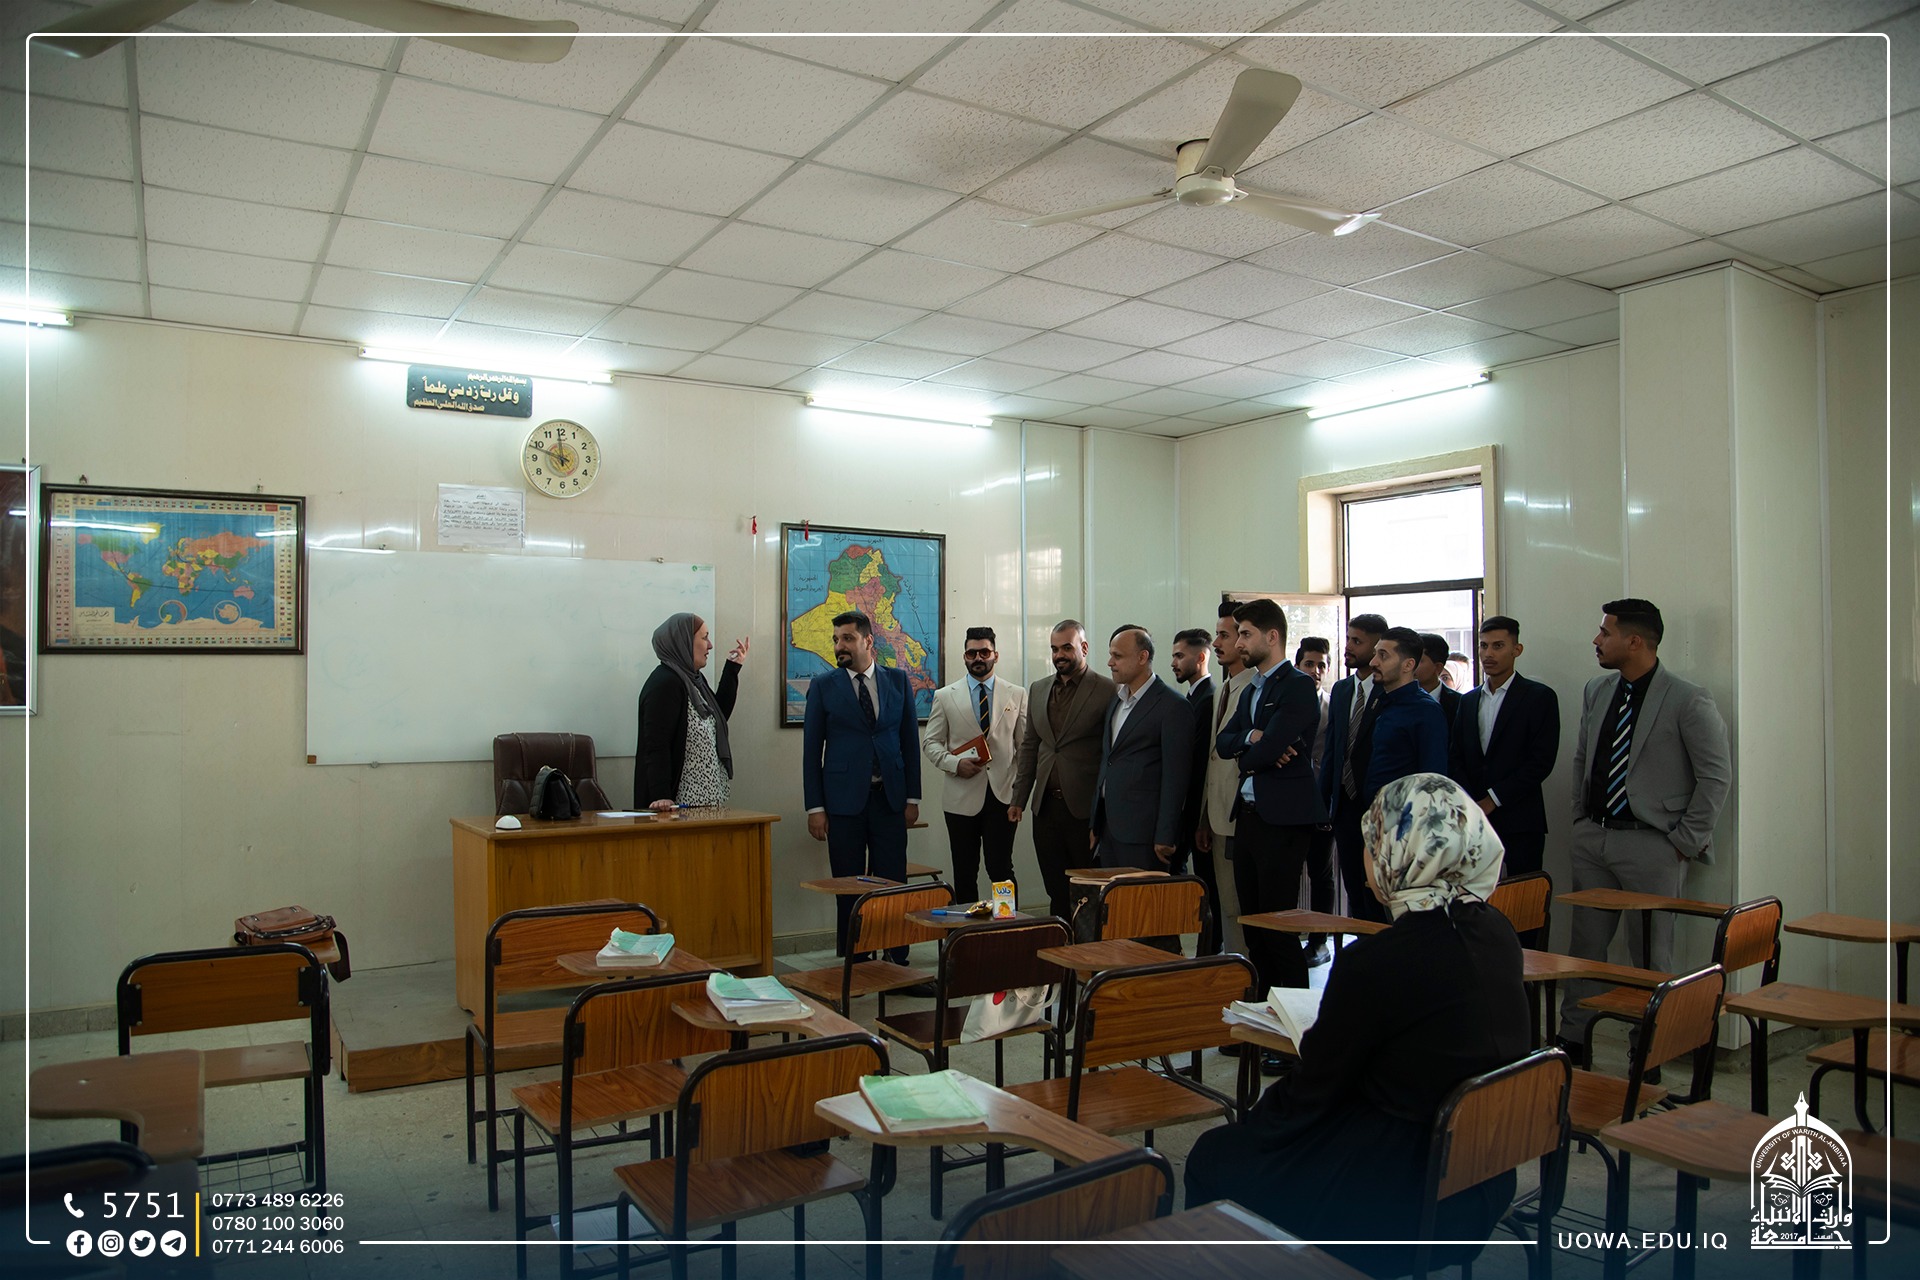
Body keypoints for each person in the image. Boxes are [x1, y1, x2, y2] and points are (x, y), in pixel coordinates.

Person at [1184, 773, 1530, 1276]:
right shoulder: (1498, 933)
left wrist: (1249, 1131)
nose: (1365, 859)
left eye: (1372, 841)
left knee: (1213, 1156)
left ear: (1401, 851)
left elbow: (1310, 1094)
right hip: (1483, 1180)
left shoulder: (1379, 961)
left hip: (1394, 1202)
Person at [1557, 599, 1731, 1061]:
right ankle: (1573, 1039)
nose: (1596, 640)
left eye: (1605, 632)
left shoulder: (1687, 698)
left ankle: (1648, 1050)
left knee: (1651, 955)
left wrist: (1683, 843)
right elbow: (1582, 758)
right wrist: (1579, 819)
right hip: (1594, 838)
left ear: (1635, 641)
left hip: (1653, 845)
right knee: (1585, 947)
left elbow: (1716, 777)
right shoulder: (1597, 690)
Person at [1216, 599, 1326, 1018]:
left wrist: (1255, 747)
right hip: (1248, 817)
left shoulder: (1296, 685)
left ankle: (1294, 1024)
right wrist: (1254, 738)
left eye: (1246, 634)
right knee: (1253, 927)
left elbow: (1263, 751)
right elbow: (1224, 742)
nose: (1239, 642)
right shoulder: (1253, 688)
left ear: (1272, 636)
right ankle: (1262, 1017)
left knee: (1278, 929)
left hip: (1283, 820)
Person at [802, 611, 921, 960]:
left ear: (868, 641)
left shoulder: (897, 681)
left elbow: (909, 743)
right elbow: (811, 752)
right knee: (849, 886)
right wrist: (815, 807)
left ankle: (897, 959)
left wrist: (913, 797)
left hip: (889, 801)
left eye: (848, 638)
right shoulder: (824, 686)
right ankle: (856, 961)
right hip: (842, 805)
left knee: (893, 884)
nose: (840, 646)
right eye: (836, 639)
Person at [1009, 620, 1116, 920]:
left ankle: (1088, 947)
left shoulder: (1107, 690)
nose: (1059, 655)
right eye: (1054, 649)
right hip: (1045, 809)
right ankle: (1061, 944)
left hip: (1084, 810)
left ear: (1084, 648)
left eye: (1067, 648)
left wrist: (1103, 814)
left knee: (1087, 891)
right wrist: (1018, 799)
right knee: (1055, 888)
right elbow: (1030, 746)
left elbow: (1111, 754)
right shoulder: (1039, 689)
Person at [1449, 615, 1561, 881]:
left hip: (1520, 820)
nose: (1488, 654)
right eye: (1483, 646)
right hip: (1473, 820)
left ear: (1516, 649)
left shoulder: (1539, 697)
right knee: (1474, 897)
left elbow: (1540, 761)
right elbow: (1456, 756)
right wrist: (1471, 802)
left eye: (1498, 646)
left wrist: (1493, 799)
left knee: (1523, 898)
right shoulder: (1468, 700)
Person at [923, 626, 1028, 904]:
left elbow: (1025, 749)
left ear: (995, 655)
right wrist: (955, 764)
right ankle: (967, 929)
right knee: (965, 872)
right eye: (972, 653)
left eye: (984, 652)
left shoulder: (1017, 694)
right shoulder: (945, 695)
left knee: (1001, 870)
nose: (978, 658)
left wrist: (1019, 795)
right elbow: (931, 743)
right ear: (964, 656)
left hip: (1003, 797)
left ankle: (1007, 924)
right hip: (960, 798)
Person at [1091, 626, 1194, 873]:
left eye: (1117, 656)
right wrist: (1096, 821)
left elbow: (1176, 778)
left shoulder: (1173, 706)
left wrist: (1166, 834)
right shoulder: (1117, 701)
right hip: (1109, 829)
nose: (1110, 662)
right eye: (1111, 655)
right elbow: (1108, 761)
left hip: (1145, 834)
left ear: (1142, 657)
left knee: (1144, 897)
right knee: (1113, 897)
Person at [634, 613, 745, 809]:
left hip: (707, 801)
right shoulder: (665, 684)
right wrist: (661, 796)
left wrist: (732, 669)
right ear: (683, 642)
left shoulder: (693, 680)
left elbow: (718, 716)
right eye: (704, 638)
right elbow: (656, 746)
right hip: (677, 806)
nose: (710, 645)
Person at [1196, 602, 1256, 960]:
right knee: (1226, 905)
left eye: (1225, 635)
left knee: (1243, 907)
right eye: (1216, 634)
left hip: (1243, 815)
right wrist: (1205, 815)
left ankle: (1248, 973)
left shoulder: (1257, 689)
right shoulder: (1223, 689)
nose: (1217, 643)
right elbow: (1213, 760)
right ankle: (1235, 970)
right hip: (1217, 816)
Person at [1318, 613, 1388, 922]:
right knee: (1353, 890)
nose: (1348, 647)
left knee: (1377, 892)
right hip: (1344, 805)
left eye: (1357, 641)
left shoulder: (1388, 691)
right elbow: (1333, 748)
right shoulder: (1343, 689)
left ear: (1377, 647)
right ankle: (1359, 944)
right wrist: (1323, 802)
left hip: (1376, 805)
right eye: (1348, 639)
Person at [1363, 627, 1451, 808]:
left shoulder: (1426, 711)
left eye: (1383, 656)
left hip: (1406, 817)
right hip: (1377, 813)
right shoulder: (1383, 702)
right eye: (1374, 654)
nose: (1373, 662)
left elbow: (1433, 780)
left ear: (1408, 665)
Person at [1294, 634, 1337, 966]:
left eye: (1321, 665)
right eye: (1309, 664)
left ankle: (1320, 941)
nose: (1316, 670)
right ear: (1298, 665)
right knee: (1287, 874)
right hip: (1288, 803)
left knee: (1321, 875)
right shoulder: (1287, 703)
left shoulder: (1333, 706)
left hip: (1322, 802)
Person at [1167, 626, 1215, 880]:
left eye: (1179, 656)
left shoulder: (1209, 699)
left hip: (1196, 809)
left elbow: (1198, 762)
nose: (1173, 663)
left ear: (1201, 658)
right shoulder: (1191, 697)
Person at [1415, 632, 1464, 743]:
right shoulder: (1395, 700)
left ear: (1438, 667)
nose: (1410, 665)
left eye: (1418, 660)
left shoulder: (1461, 703)